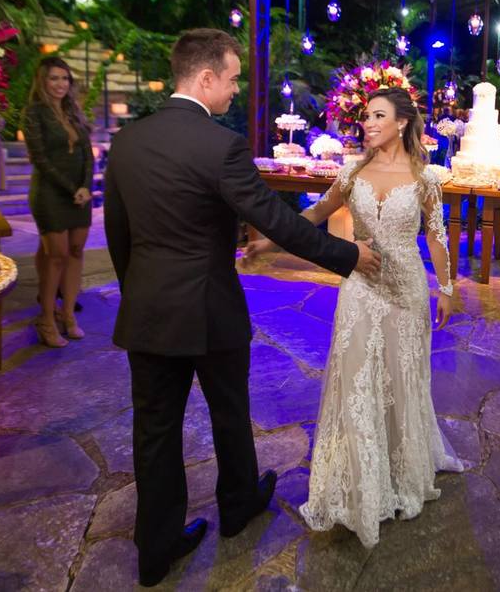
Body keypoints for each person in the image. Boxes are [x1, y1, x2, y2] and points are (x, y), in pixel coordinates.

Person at [103, 29, 380, 585]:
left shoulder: (127, 142)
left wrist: (141, 291)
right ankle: (236, 506)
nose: (234, 91)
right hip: (210, 310)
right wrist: (349, 255)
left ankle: (155, 552)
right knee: (229, 412)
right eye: (230, 79)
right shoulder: (219, 145)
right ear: (205, 78)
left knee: (154, 432)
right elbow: (276, 221)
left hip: (149, 313)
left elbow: (119, 234)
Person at [245, 87, 463, 548]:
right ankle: (356, 486)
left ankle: (400, 475)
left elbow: (437, 236)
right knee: (356, 377)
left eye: (377, 116)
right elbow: (315, 214)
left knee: (400, 379)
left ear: (401, 123)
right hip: (360, 287)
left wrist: (445, 287)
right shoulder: (352, 172)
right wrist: (270, 240)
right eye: (366, 116)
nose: (367, 123)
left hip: (406, 289)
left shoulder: (425, 179)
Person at [22, 57, 93, 347]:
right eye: (54, 78)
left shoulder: (74, 111)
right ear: (42, 81)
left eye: (65, 79)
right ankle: (47, 319)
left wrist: (86, 186)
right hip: (51, 193)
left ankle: (68, 315)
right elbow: (40, 158)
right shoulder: (34, 113)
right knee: (56, 256)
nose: (60, 84)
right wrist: (71, 189)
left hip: (80, 195)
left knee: (76, 251)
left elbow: (87, 155)